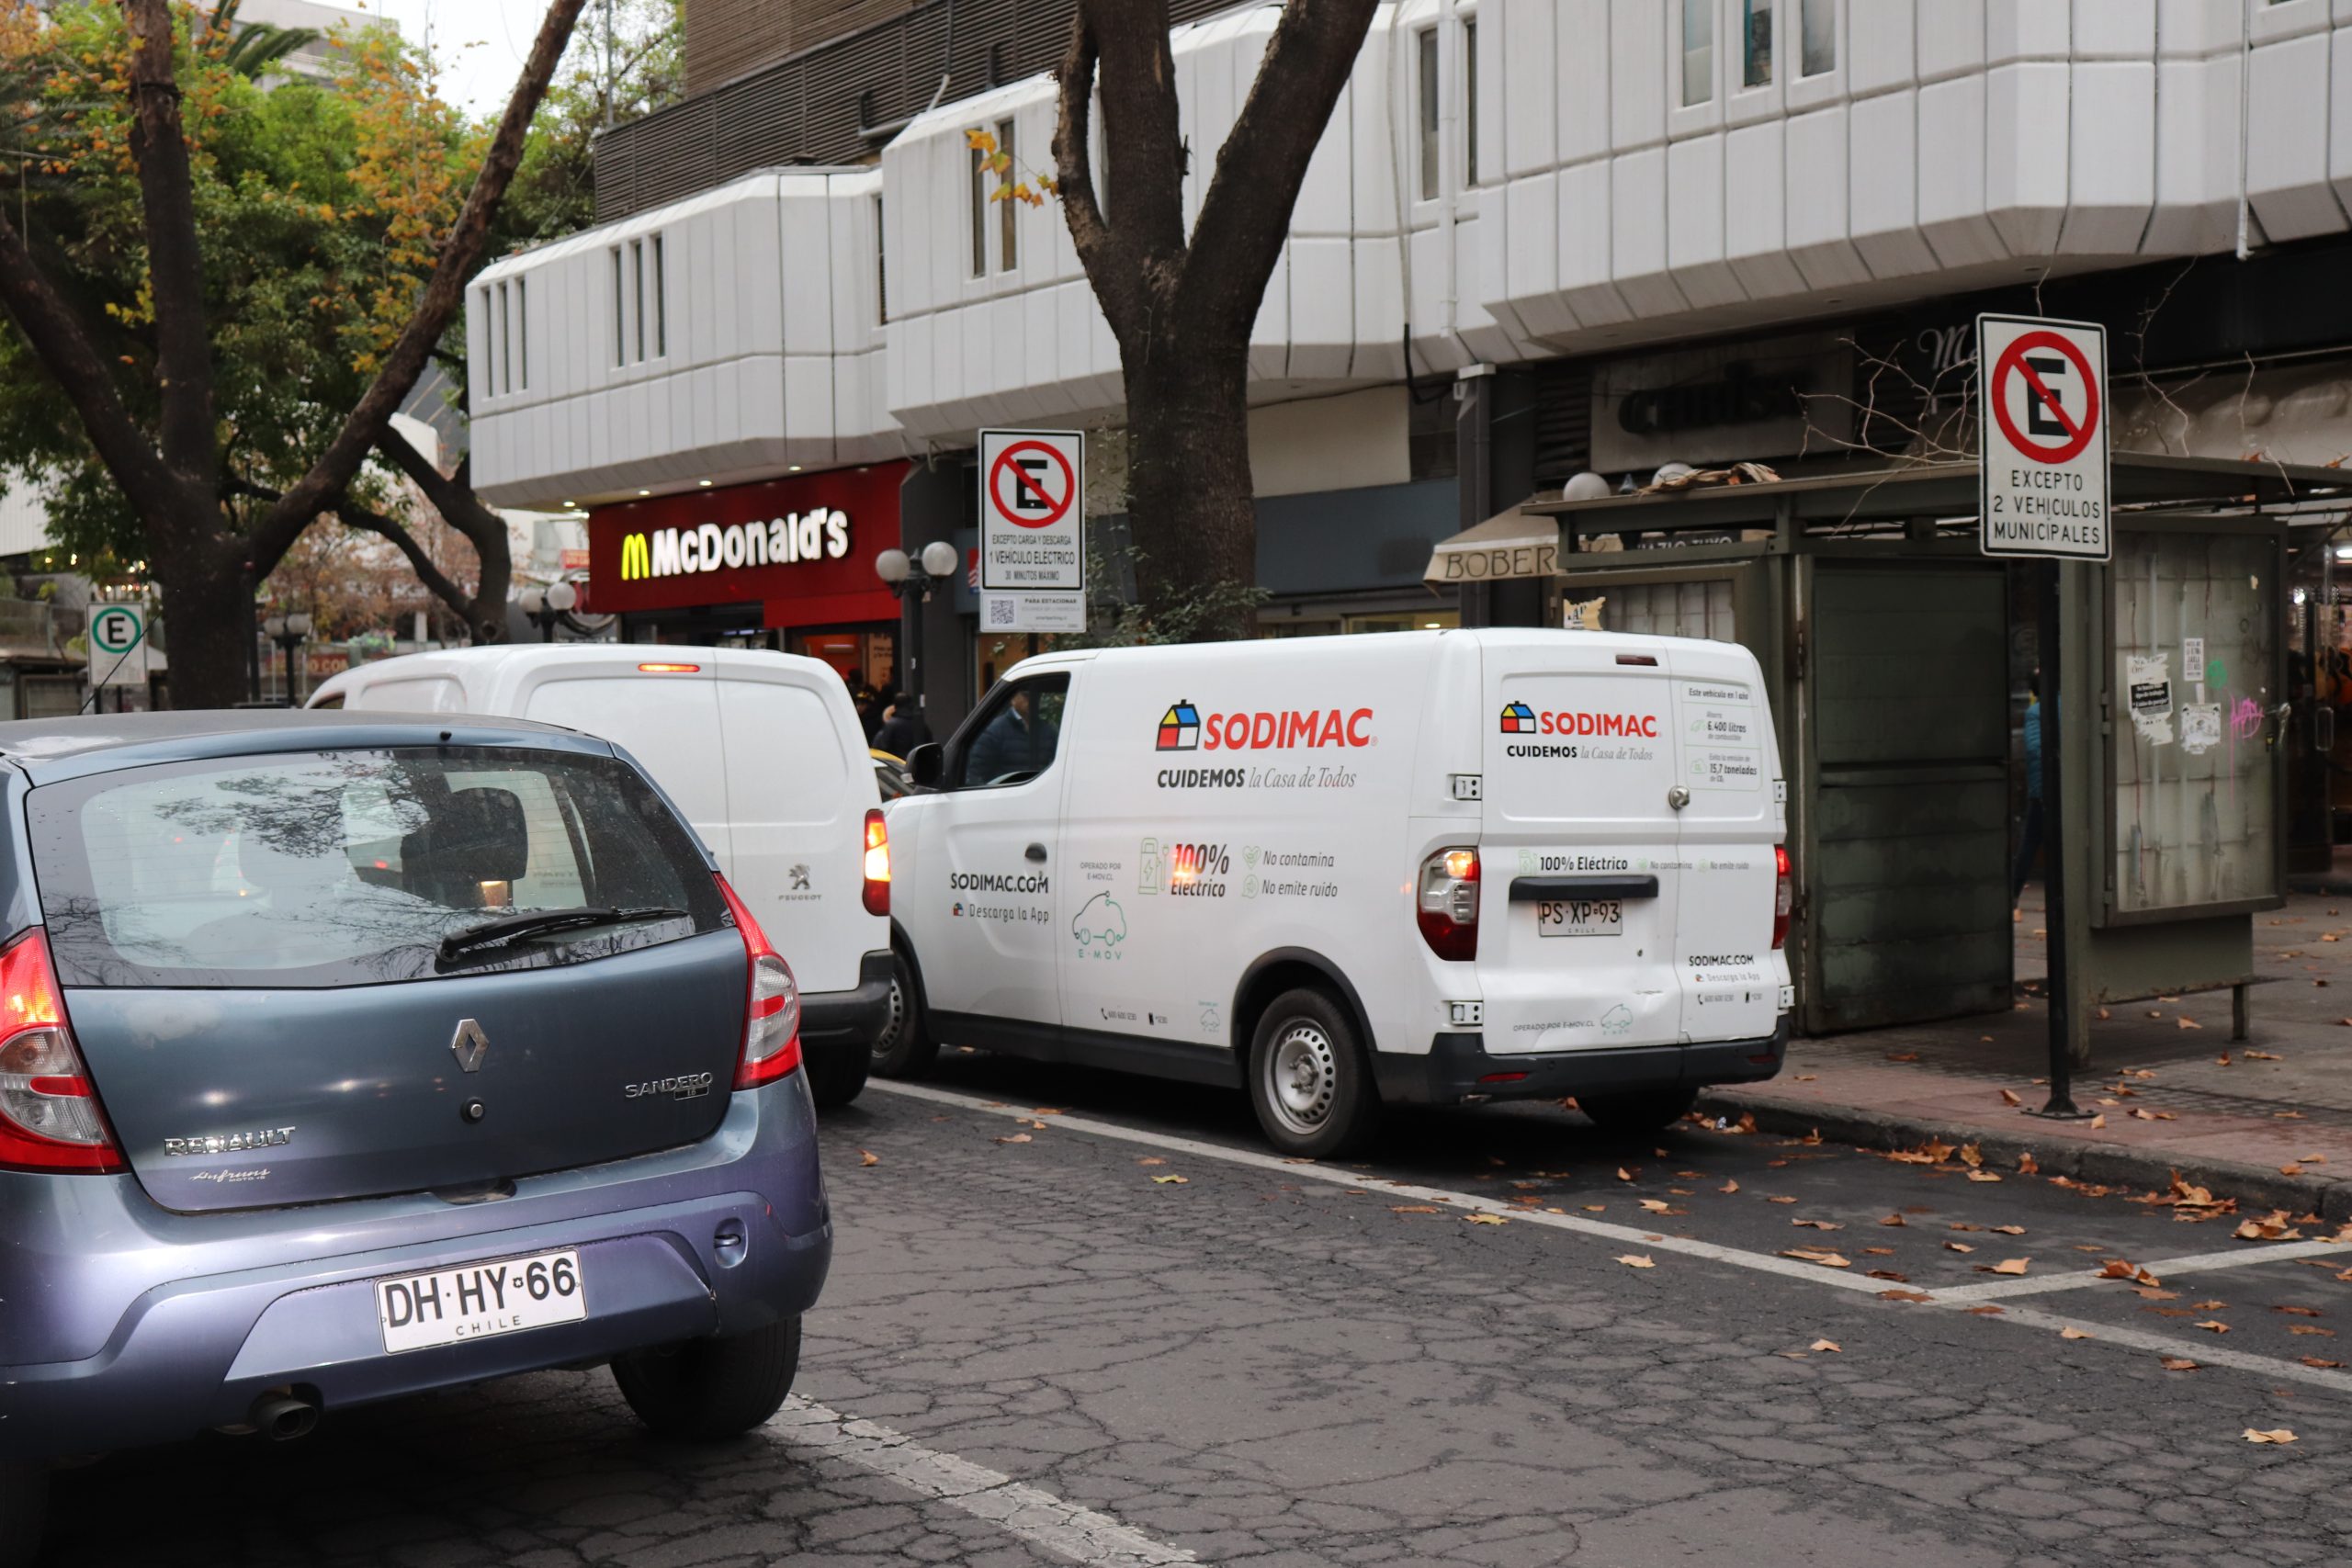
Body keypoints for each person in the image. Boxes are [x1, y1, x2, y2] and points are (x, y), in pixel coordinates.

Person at [964, 687, 1057, 784]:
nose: (1033, 700)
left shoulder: (1047, 731)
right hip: (1005, 793)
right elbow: (976, 772)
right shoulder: (995, 730)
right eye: (1026, 696)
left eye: (1037, 696)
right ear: (1013, 699)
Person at [2011, 673, 2045, 908]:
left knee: (2030, 841)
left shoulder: (2035, 712)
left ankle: (2013, 892)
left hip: (2041, 787)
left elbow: (2034, 748)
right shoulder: (2071, 705)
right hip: (2057, 786)